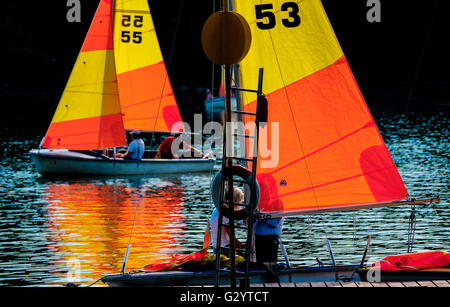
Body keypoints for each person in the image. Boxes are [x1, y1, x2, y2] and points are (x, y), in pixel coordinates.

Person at [209, 186, 246, 257]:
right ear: (235, 202)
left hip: (216, 246)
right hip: (224, 247)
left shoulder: (218, 209)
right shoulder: (225, 214)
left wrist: (239, 244)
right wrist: (241, 254)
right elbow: (232, 236)